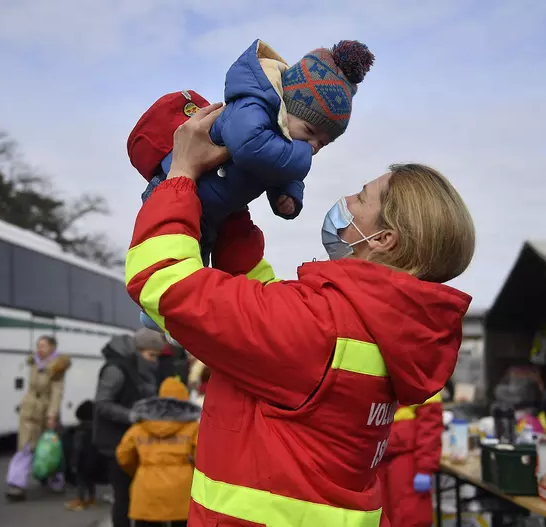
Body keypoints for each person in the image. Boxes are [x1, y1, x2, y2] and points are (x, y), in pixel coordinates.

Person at [124, 104, 475, 527]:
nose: (345, 200)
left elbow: (163, 281)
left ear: (383, 239)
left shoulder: (321, 328)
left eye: (361, 198)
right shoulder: (381, 329)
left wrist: (181, 174)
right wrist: (232, 210)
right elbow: (265, 305)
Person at [131, 39, 373, 333]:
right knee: (190, 256)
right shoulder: (251, 105)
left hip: (224, 208)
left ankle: (240, 306)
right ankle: (158, 313)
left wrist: (288, 194)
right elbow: (251, 147)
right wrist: (302, 156)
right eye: (310, 133)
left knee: (244, 248)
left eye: (322, 143)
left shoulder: (286, 139)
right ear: (287, 106)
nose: (312, 147)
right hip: (183, 194)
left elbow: (283, 170)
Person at [93, 329, 163, 527]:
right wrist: (131, 415)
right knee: (123, 497)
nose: (154, 362)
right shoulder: (116, 370)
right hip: (115, 442)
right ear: (138, 351)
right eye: (151, 355)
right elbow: (102, 403)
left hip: (133, 441)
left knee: (138, 494)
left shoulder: (136, 369)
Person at [116, 377, 200, 527]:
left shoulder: (140, 427)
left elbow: (123, 456)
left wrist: (140, 469)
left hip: (146, 488)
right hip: (181, 491)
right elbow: (201, 458)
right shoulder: (192, 428)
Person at [5, 335, 71, 501]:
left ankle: (56, 479)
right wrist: (23, 403)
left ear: (52, 348)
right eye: (38, 345)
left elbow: (57, 393)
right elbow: (31, 388)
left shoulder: (57, 367)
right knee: (25, 446)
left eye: (43, 346)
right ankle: (17, 485)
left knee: (49, 447)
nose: (39, 348)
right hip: (29, 410)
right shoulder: (34, 362)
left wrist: (51, 415)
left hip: (46, 411)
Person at [379, 392, 444, 527]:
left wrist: (425, 469)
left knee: (410, 518)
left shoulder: (422, 380)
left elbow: (430, 427)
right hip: (379, 459)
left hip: (408, 460)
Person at [64, 400, 100, 511]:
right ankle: (92, 498)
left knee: (81, 481)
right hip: (94, 460)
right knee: (90, 480)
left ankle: (80, 500)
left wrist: (73, 463)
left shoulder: (80, 431)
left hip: (82, 461)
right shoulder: (97, 429)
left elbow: (77, 449)